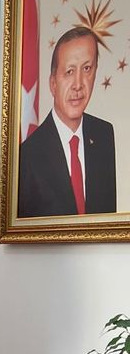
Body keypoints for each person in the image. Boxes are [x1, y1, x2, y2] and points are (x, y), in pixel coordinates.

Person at [18, 26, 116, 217]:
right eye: (69, 71)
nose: (78, 84)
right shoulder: (27, 156)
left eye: (87, 69)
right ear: (53, 83)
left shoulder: (104, 134)